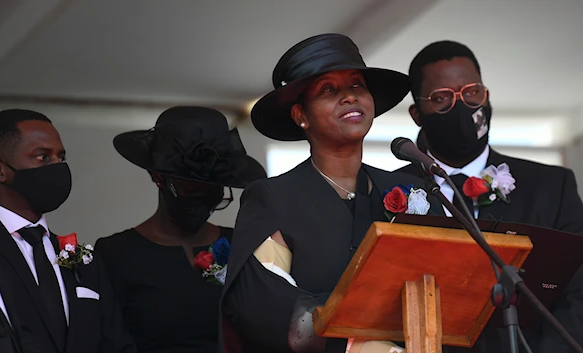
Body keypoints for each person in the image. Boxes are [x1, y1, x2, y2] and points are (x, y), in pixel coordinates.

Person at [219, 33, 444, 353]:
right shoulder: (276, 198)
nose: (349, 96)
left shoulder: (412, 192)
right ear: (301, 116)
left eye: (357, 85)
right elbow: (260, 302)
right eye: (328, 89)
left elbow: (444, 285)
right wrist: (357, 346)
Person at [398, 40, 583, 352]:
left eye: (471, 92)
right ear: (417, 113)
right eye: (442, 98)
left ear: (486, 95)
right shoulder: (390, 190)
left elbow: (578, 293)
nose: (462, 106)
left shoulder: (551, 187)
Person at [94, 106, 267, 353]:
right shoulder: (116, 254)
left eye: (213, 187)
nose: (203, 195)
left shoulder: (242, 244)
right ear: (158, 177)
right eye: (191, 187)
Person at [0, 109, 136, 353]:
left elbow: (117, 345)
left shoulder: (84, 260)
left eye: (61, 158)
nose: (57, 167)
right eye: (43, 157)